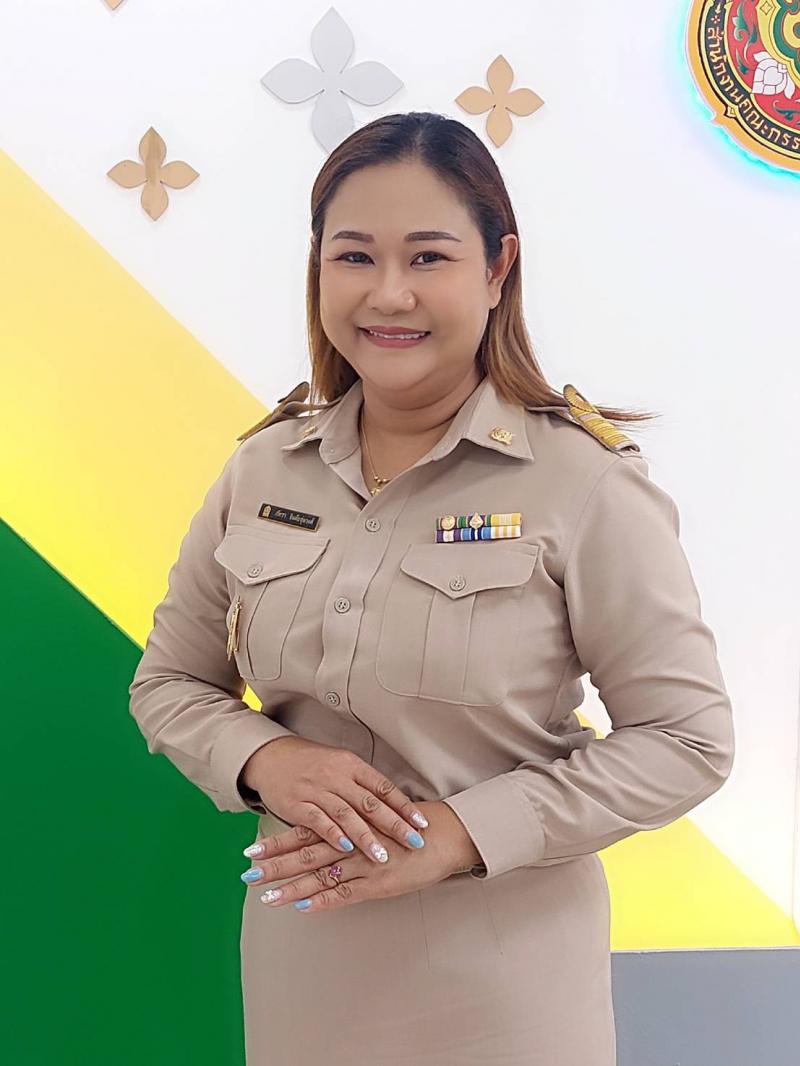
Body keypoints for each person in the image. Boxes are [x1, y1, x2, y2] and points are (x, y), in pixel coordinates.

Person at [128, 111, 735, 1066]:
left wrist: (462, 832)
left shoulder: (583, 482)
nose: (389, 293)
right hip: (303, 968)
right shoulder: (264, 469)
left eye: (429, 257)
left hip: (506, 986)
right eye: (354, 257)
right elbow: (168, 683)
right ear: (318, 269)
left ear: (497, 270)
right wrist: (265, 758)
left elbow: (687, 741)